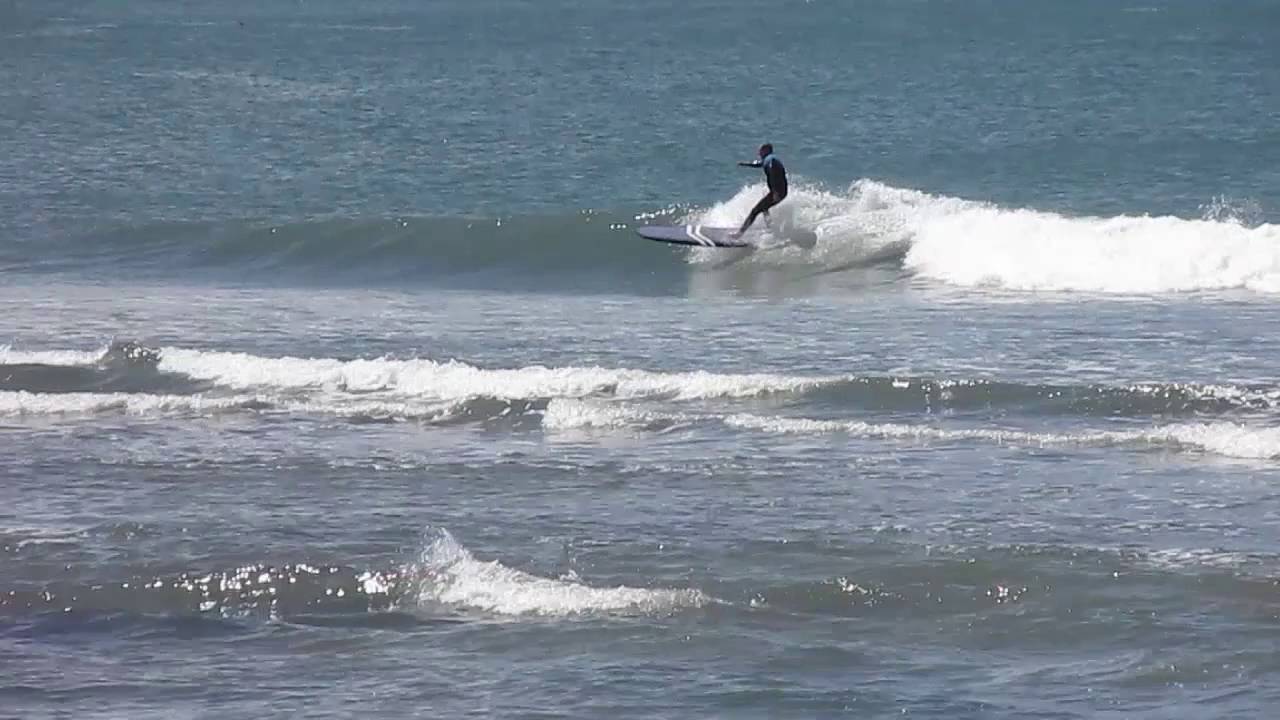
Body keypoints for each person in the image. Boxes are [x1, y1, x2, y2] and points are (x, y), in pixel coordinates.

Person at [732, 143, 788, 237]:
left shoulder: (771, 160)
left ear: (766, 150)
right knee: (764, 208)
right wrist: (745, 164)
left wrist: (775, 192)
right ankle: (771, 229)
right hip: (781, 192)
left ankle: (739, 234)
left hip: (777, 192)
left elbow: (773, 168)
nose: (758, 152)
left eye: (760, 150)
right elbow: (759, 164)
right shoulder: (768, 159)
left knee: (754, 211)